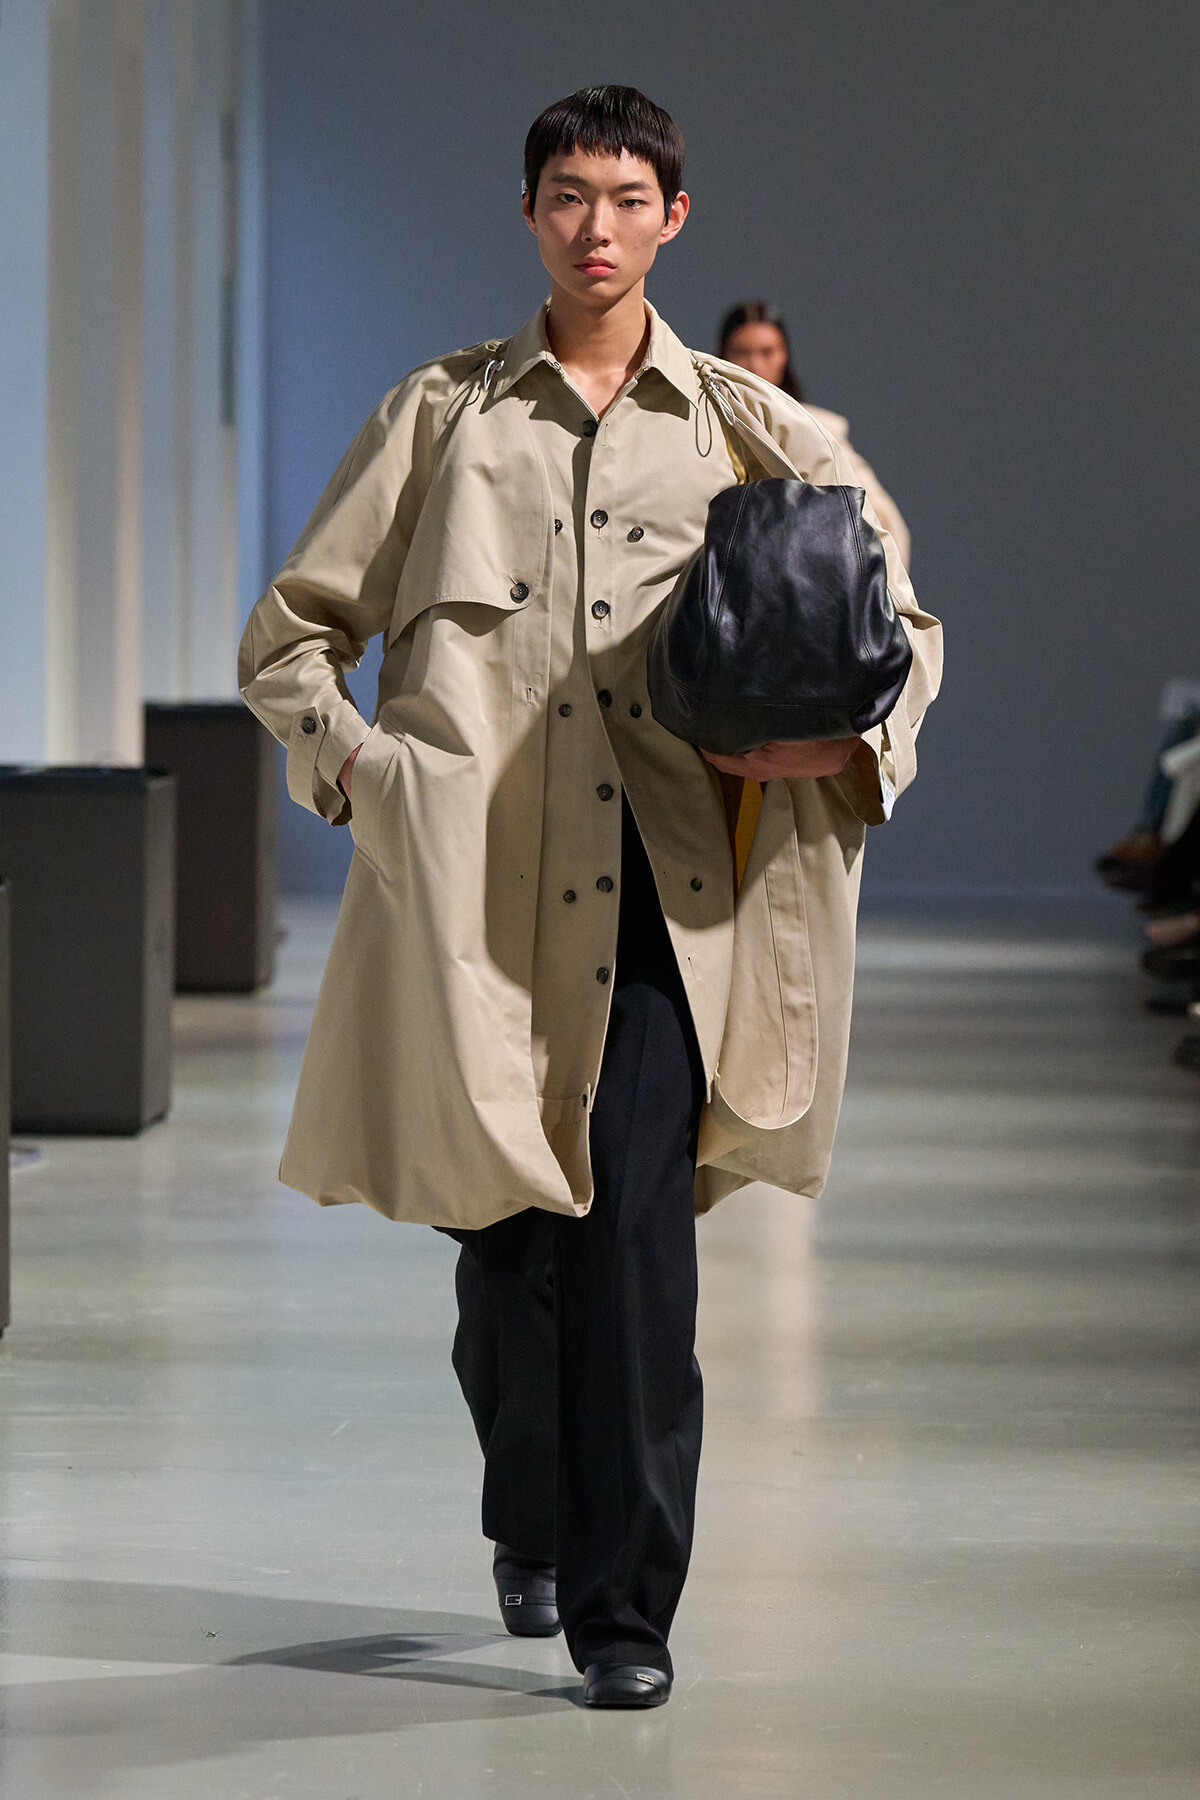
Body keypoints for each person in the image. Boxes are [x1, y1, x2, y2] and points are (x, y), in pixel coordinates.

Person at [238, 86, 941, 1709]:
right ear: (532, 212)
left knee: (636, 1251)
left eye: (628, 195)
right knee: (507, 1257)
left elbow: (902, 630)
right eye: (569, 194)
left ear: (673, 215)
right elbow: (291, 637)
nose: (597, 224)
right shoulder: (443, 418)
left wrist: (837, 749)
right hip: (478, 909)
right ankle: (530, 1521)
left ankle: (628, 1612)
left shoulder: (757, 433)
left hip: (663, 909)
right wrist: (361, 777)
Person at [718, 300, 913, 566]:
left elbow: (881, 518)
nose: (755, 365)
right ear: (722, 355)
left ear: (784, 355)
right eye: (741, 352)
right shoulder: (705, 428)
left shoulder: (817, 428)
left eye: (767, 352)